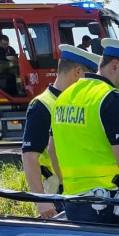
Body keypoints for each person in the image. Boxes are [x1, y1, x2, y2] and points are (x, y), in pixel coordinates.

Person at [51, 39, 119, 228]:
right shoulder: (113, 100)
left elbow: (52, 150)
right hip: (110, 208)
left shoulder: (65, 97)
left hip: (74, 205)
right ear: (115, 66)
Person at [21, 44, 100, 218]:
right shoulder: (42, 105)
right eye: (90, 77)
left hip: (81, 192)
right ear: (78, 72)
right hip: (56, 195)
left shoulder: (79, 103)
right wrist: (42, 201)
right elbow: (29, 156)